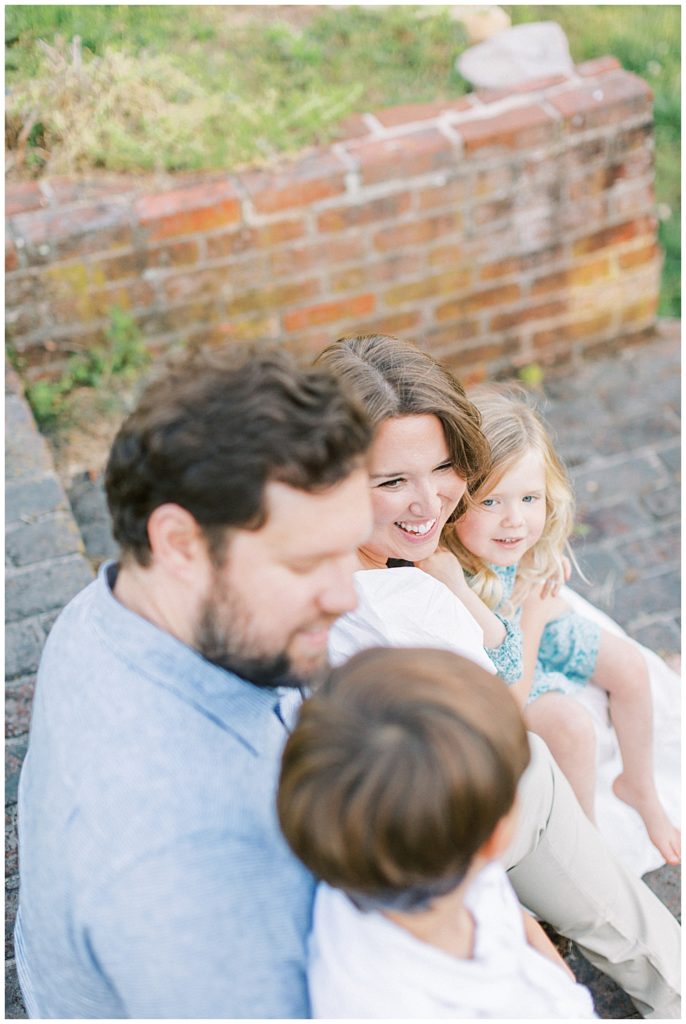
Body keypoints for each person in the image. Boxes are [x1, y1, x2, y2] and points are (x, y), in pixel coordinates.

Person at [317, 333, 680, 1018]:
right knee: (633, 935)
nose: (432, 504)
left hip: (491, 782)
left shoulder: (361, 558)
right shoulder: (408, 614)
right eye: (393, 481)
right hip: (497, 795)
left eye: (446, 468)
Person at [14, 344, 375, 1018]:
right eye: (305, 564)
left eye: (349, 548)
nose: (347, 595)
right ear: (180, 544)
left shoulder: (116, 606)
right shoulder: (191, 868)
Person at [278, 647, 597, 1019]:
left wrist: (559, 977)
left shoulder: (397, 854)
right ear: (497, 837)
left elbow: (499, 902)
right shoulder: (384, 1005)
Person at [446, 383, 680, 865]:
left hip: (533, 620)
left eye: (529, 498)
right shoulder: (455, 579)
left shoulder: (514, 541)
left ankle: (637, 785)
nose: (515, 521)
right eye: (491, 502)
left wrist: (540, 574)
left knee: (631, 666)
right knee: (572, 728)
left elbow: (535, 569)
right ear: (456, 502)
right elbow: (508, 694)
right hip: (505, 669)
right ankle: (585, 845)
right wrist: (534, 610)